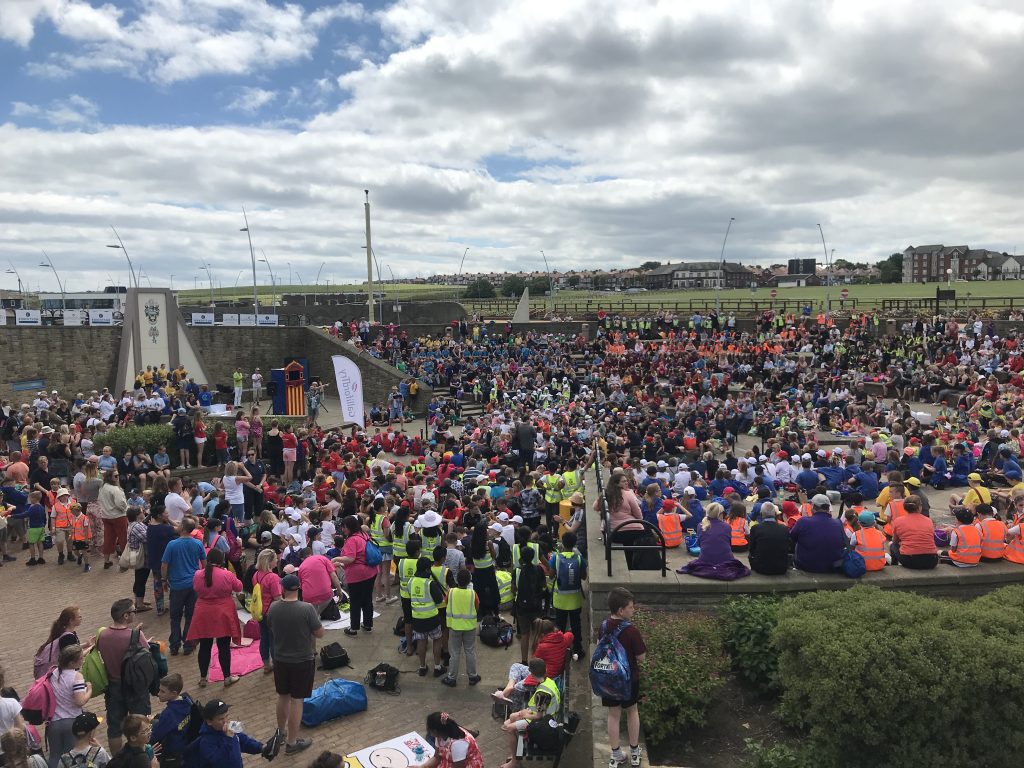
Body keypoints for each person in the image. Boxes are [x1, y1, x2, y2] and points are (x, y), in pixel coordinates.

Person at [266, 573, 322, 757]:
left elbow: (270, 626)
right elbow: (320, 633)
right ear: (299, 588)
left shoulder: (274, 607)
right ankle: (291, 742)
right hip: (302, 660)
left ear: (282, 588)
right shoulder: (307, 609)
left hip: (281, 659)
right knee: (297, 701)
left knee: (283, 696)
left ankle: (281, 733)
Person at [95, 599, 152, 754]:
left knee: (114, 728)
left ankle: (118, 760)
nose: (135, 613)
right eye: (133, 611)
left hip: (113, 686)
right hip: (135, 687)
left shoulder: (103, 635)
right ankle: (141, 758)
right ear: (126, 615)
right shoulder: (136, 635)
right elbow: (147, 654)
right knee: (141, 724)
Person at [598, 587, 645, 768]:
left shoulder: (603, 626)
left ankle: (616, 754)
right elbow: (641, 657)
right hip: (629, 679)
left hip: (609, 679)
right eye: (631, 607)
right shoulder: (631, 631)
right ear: (621, 610)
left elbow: (599, 647)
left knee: (613, 714)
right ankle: (634, 752)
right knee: (632, 711)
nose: (633, 610)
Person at [186, 548, 242, 688]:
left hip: (203, 613)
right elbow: (239, 587)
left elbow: (196, 588)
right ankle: (227, 677)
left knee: (205, 646)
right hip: (223, 613)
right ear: (221, 560)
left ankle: (203, 678)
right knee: (224, 646)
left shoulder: (198, 574)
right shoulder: (226, 574)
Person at [499, 657, 561, 768]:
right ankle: (517, 752)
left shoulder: (542, 693)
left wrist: (524, 714)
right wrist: (524, 713)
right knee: (512, 717)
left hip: (543, 722)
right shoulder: (549, 681)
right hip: (547, 715)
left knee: (509, 728)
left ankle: (515, 762)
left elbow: (538, 716)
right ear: (545, 670)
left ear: (531, 674)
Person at [161, 518, 206, 656]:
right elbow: (204, 564)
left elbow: (164, 565)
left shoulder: (172, 544)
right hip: (193, 585)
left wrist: (164, 580)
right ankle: (188, 644)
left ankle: (174, 645)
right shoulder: (198, 544)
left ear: (183, 528)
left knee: (175, 617)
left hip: (177, 586)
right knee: (190, 616)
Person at [44, 644, 91, 768]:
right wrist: (89, 690)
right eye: (80, 658)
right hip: (72, 721)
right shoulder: (77, 676)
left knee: (54, 756)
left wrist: (89, 647)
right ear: (71, 663)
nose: (82, 660)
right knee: (71, 757)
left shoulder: (54, 673)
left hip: (53, 722)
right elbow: (80, 701)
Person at [676, 503, 750, 580]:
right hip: (725, 559)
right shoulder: (726, 526)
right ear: (720, 514)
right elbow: (728, 544)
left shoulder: (700, 525)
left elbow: (700, 544)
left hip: (705, 558)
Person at [183, 699, 263, 768]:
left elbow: (244, 741)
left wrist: (261, 748)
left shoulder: (230, 727)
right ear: (209, 722)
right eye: (221, 719)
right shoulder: (206, 742)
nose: (225, 721)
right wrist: (229, 739)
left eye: (227, 716)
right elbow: (225, 763)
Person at [333, 515, 378, 636]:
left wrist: (336, 559)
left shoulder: (352, 540)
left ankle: (354, 628)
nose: (343, 529)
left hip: (358, 575)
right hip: (371, 571)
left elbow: (351, 558)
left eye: (344, 527)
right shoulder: (363, 535)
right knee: (367, 599)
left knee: (355, 601)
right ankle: (368, 624)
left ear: (350, 527)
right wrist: (341, 563)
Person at [549, 531, 586, 660]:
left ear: (563, 544)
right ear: (575, 544)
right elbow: (584, 576)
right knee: (576, 625)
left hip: (559, 600)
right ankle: (578, 650)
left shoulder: (556, 557)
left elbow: (551, 576)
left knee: (560, 626)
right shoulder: (579, 558)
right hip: (575, 600)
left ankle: (560, 651)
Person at [442, 568, 481, 688]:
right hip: (469, 627)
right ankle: (473, 676)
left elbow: (446, 603)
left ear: (457, 580)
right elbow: (477, 607)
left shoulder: (451, 592)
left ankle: (451, 678)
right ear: (469, 581)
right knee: (470, 651)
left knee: (454, 653)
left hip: (454, 627)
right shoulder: (472, 593)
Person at [409, 555, 447, 678]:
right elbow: (439, 600)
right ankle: (437, 667)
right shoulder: (430, 584)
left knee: (421, 642)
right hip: (432, 619)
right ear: (427, 569)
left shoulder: (410, 582)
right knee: (437, 640)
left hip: (417, 619)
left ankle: (422, 667)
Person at [790, 494, 846, 574]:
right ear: (828, 507)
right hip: (833, 567)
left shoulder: (803, 521)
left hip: (806, 566)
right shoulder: (838, 523)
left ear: (813, 506)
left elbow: (792, 538)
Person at [150, 673, 195, 768]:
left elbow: (156, 736)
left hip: (171, 753)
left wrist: (149, 726)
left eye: (163, 691)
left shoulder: (168, 714)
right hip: (184, 743)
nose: (158, 694)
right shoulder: (187, 700)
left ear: (174, 693)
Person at [251, 548, 284, 674]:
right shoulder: (273, 577)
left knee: (264, 638)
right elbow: (277, 598)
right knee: (274, 640)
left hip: (260, 612)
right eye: (275, 559)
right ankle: (277, 664)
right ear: (269, 562)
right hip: (272, 613)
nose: (277, 560)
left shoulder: (256, 575)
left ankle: (266, 665)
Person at [34, 606, 88, 679]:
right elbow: (75, 656)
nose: (81, 618)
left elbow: (71, 649)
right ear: (71, 621)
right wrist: (91, 647)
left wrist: (86, 645)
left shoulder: (64, 633)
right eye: (79, 616)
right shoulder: (68, 637)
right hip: (65, 676)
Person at [890, 496, 938, 570]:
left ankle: (894, 567)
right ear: (919, 507)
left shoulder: (898, 521)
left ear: (904, 507)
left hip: (910, 560)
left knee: (893, 545)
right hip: (932, 560)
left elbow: (895, 541)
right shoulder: (929, 521)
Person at [746, 502, 790, 575]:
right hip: (781, 568)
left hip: (760, 568)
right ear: (775, 514)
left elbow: (751, 549)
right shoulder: (784, 529)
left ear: (761, 514)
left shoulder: (755, 528)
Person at [297, 547, 342, 616]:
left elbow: (301, 586)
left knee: (313, 613)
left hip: (309, 597)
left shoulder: (301, 567)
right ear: (311, 553)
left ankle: (315, 617)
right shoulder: (322, 558)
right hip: (325, 594)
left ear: (302, 559)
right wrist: (339, 591)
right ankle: (317, 616)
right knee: (317, 612)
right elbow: (334, 576)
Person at [97, 471, 128, 569]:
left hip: (106, 516)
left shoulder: (102, 488)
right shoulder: (115, 489)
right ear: (110, 477)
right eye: (116, 476)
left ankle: (106, 561)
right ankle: (125, 562)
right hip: (118, 516)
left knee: (108, 539)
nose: (118, 477)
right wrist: (126, 509)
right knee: (123, 538)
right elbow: (120, 503)